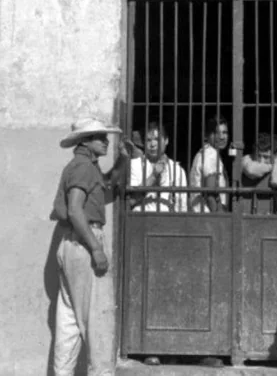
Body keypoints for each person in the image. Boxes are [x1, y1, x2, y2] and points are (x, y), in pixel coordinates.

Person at [49, 117, 128, 376]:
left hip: (70, 244)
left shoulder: (84, 166)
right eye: (98, 137)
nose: (105, 141)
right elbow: (74, 209)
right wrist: (95, 248)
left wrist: (123, 160)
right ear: (84, 142)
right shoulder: (83, 168)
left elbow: (106, 184)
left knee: (69, 322)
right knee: (97, 322)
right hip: (84, 243)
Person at [129, 121, 188, 213]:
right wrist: (153, 176)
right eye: (148, 140)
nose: (153, 144)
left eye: (157, 139)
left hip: (167, 222)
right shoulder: (134, 165)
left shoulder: (177, 170)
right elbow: (130, 200)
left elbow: (181, 206)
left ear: (166, 140)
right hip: (140, 219)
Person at [241, 132, 277, 214]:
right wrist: (272, 167)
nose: (261, 161)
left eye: (266, 157)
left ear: (276, 155)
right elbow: (251, 170)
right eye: (258, 156)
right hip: (248, 215)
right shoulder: (247, 159)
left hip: (272, 216)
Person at [189, 116, 230, 213]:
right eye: (216, 133)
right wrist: (219, 215)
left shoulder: (204, 153)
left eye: (225, 132)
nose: (222, 137)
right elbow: (210, 192)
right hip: (209, 218)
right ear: (207, 135)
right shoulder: (211, 154)